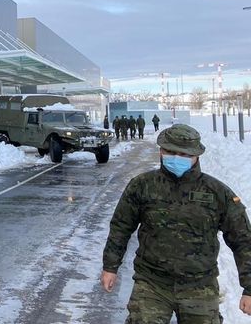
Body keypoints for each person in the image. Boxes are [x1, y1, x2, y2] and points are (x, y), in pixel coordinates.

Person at [100, 124, 251, 322]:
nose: (176, 157)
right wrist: (110, 266)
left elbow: (243, 239)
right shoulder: (142, 186)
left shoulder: (216, 192)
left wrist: (249, 287)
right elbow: (121, 227)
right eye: (170, 151)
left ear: (196, 155)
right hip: (151, 283)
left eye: (183, 153)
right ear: (161, 151)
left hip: (199, 286)